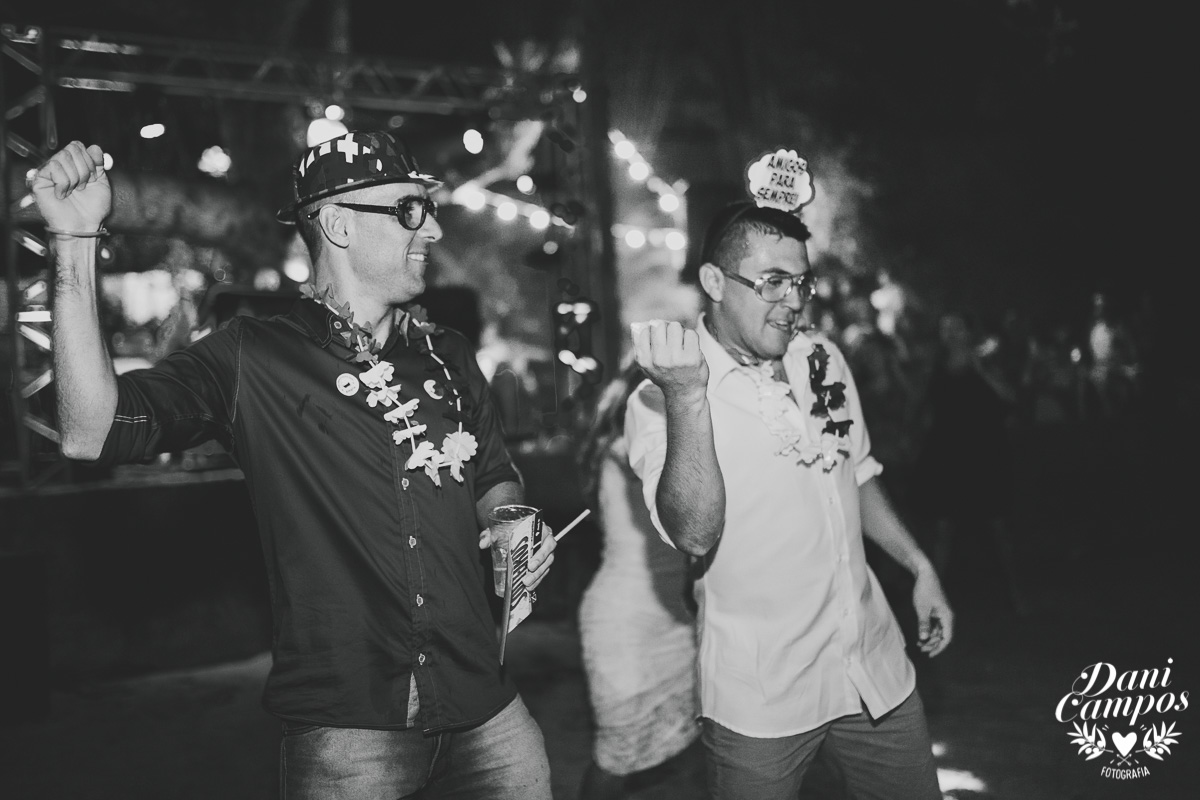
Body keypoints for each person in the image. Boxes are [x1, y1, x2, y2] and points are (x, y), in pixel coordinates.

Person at [32, 134, 557, 799]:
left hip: (486, 704)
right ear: (338, 225)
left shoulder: (449, 354)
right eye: (410, 209)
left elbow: (493, 477)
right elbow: (89, 432)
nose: (434, 228)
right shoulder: (253, 357)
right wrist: (74, 241)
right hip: (350, 729)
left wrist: (510, 524)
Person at [624, 200, 953, 800]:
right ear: (714, 281)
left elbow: (857, 473)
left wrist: (918, 565)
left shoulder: (822, 359)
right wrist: (688, 396)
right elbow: (693, 533)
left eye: (801, 282)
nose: (793, 300)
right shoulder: (659, 397)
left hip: (873, 666)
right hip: (762, 696)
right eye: (772, 281)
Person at [576, 362, 700, 800]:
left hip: (677, 618)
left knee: (688, 743)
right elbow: (660, 469)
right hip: (623, 622)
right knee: (616, 755)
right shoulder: (624, 449)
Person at [914, 312, 1029, 617]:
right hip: (949, 455)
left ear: (968, 331)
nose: (950, 333)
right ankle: (934, 603)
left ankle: (1017, 594)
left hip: (983, 454)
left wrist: (981, 369)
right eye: (945, 329)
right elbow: (924, 406)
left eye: (956, 327)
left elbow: (1010, 397)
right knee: (943, 530)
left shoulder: (985, 362)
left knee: (998, 529)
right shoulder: (937, 368)